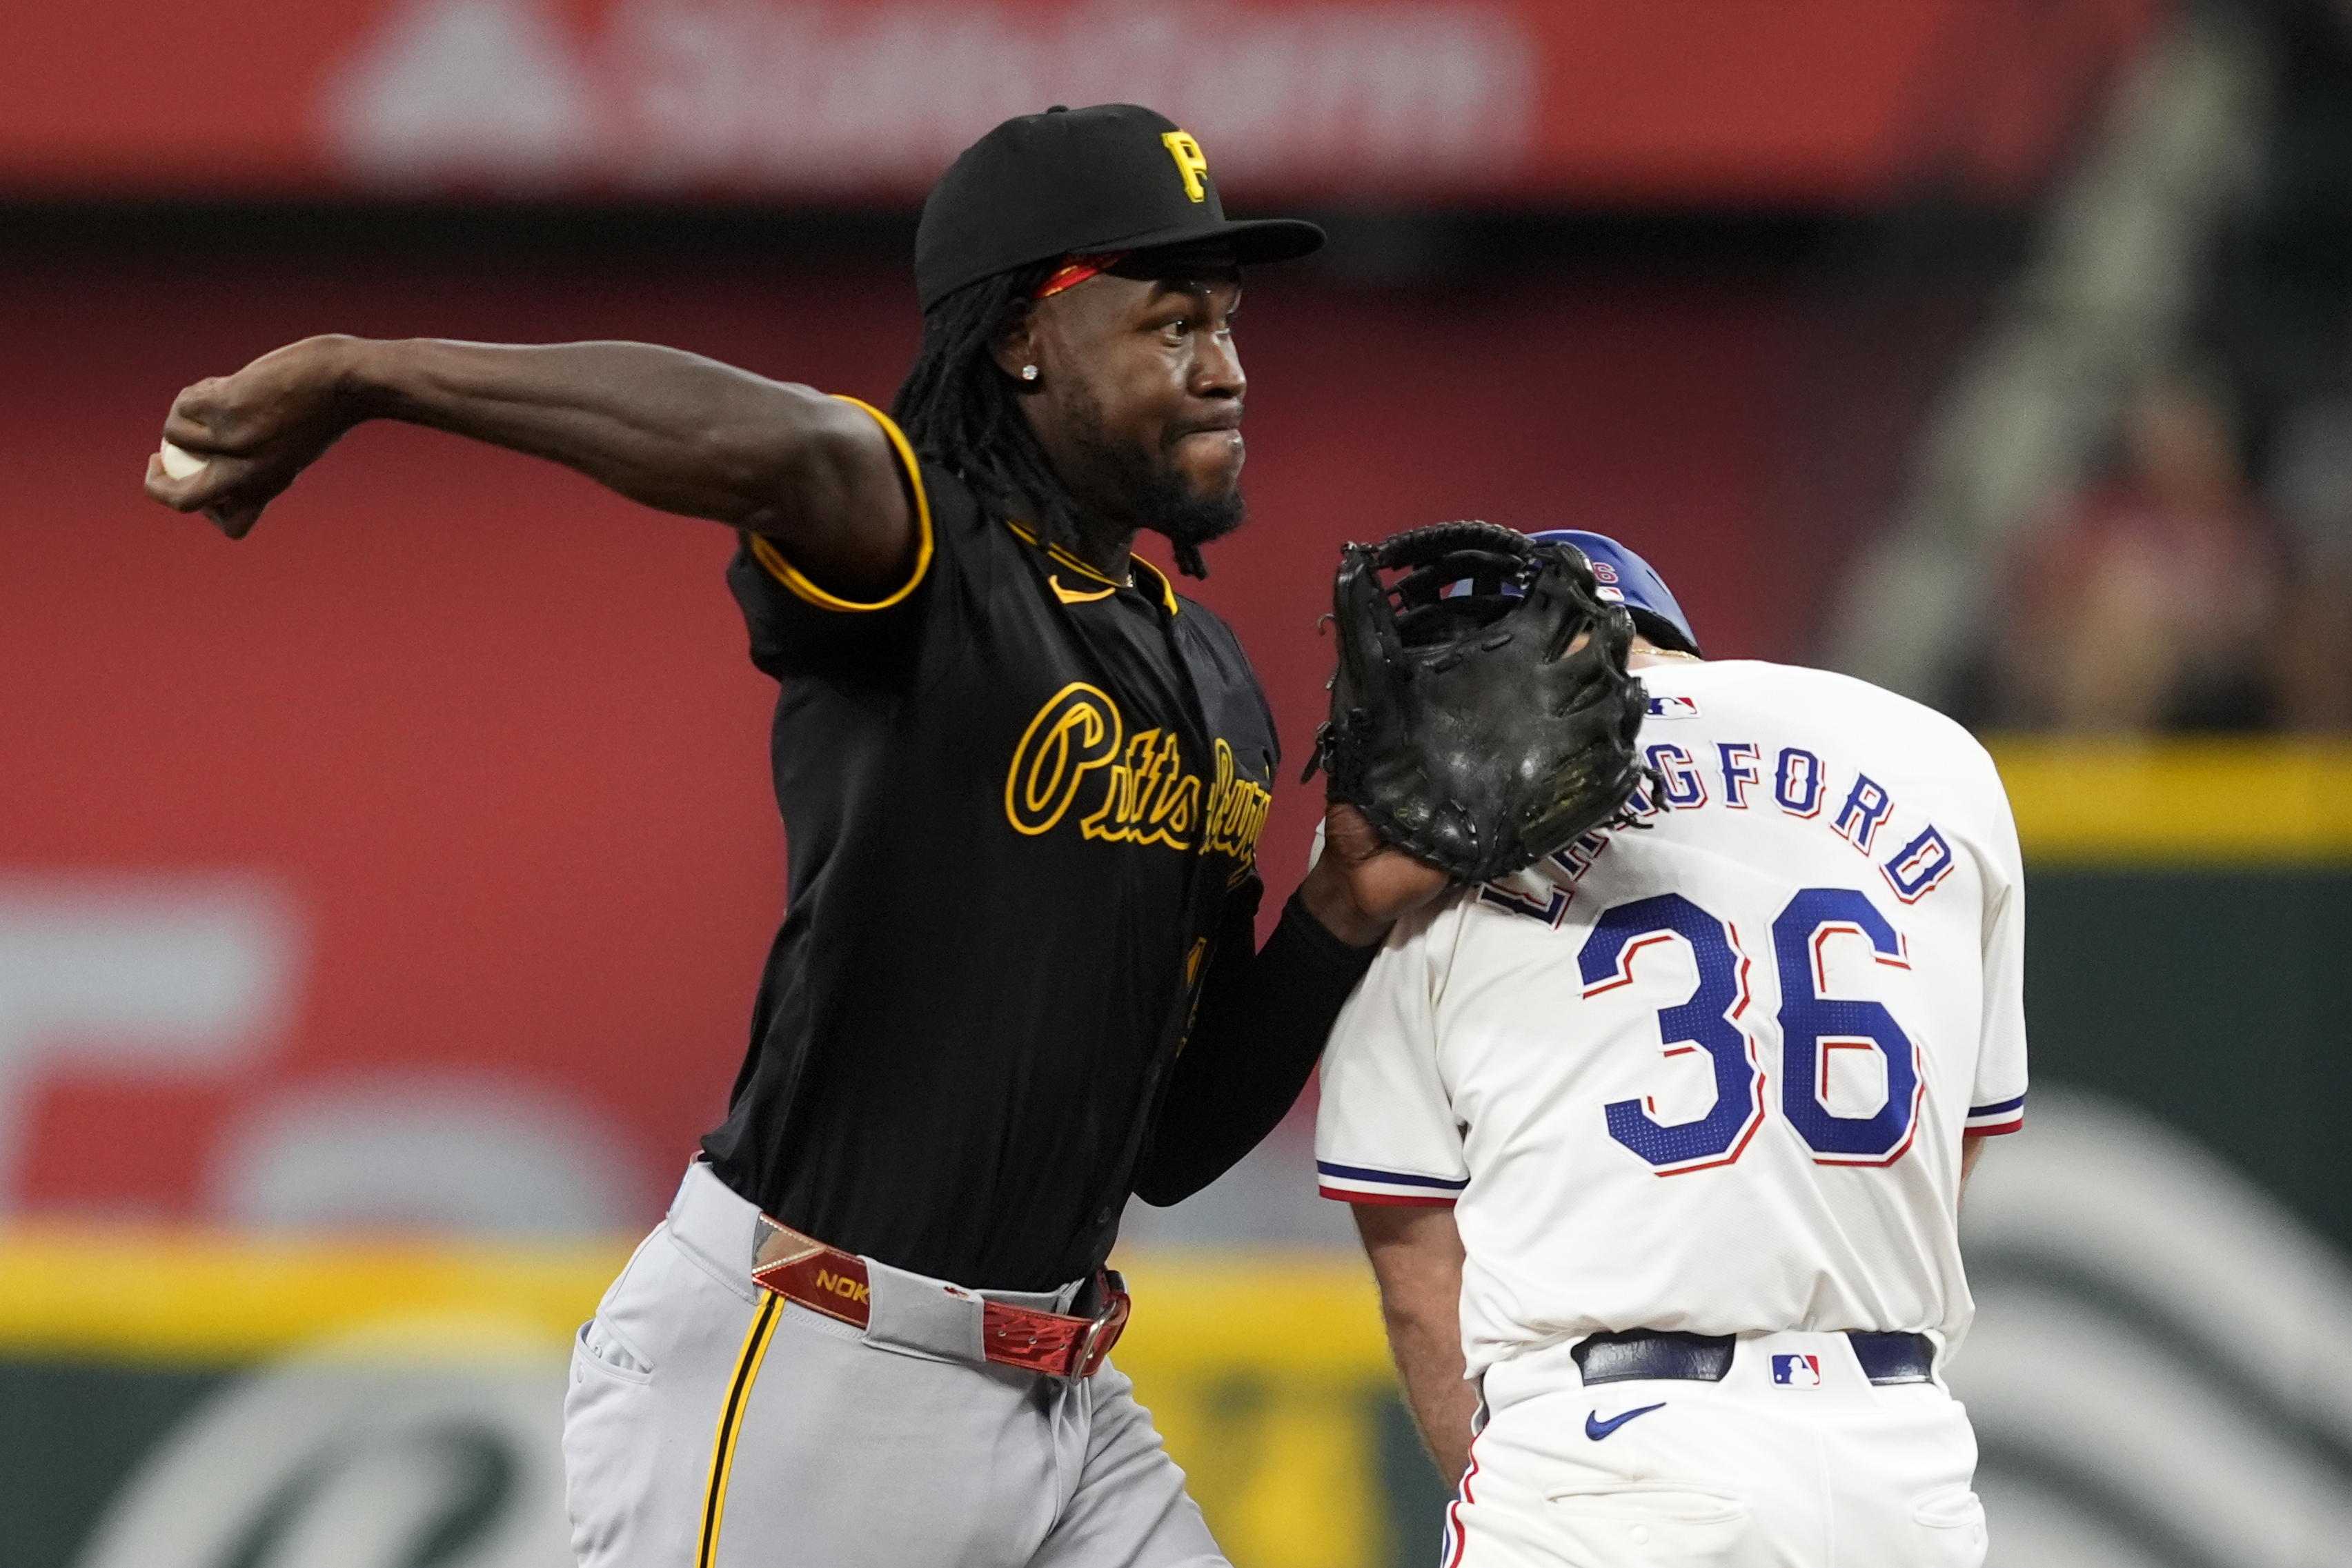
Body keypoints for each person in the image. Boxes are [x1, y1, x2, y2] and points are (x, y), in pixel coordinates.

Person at [144, 104, 1446, 1568]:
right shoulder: (926, 558)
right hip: (813, 1370)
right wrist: (363, 374)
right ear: (1025, 341)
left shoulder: (1209, 680)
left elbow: (1173, 1144)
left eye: (1226, 321)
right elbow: (781, 443)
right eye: (1168, 323)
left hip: (1064, 1401)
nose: (1224, 367)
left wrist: (1343, 904)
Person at [1314, 530, 2024, 1566]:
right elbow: (1946, 1146)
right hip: (1900, 1461)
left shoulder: (1423, 826)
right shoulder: (1939, 759)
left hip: (1612, 1464)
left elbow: (1422, 1280)